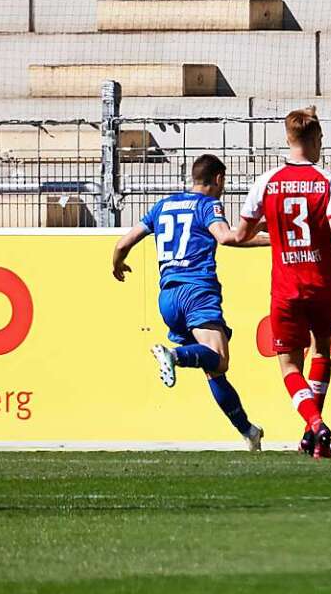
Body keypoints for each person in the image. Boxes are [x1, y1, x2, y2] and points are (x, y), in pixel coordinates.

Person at [112, 154, 268, 451]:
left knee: (214, 369)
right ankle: (174, 355)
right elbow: (225, 238)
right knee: (218, 357)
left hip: (168, 297)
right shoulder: (207, 205)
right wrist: (272, 240)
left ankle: (249, 431)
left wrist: (117, 264)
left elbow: (123, 243)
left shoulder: (163, 206)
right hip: (197, 291)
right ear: (218, 179)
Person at [236, 106, 331, 459]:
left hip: (287, 287)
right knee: (321, 351)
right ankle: (313, 436)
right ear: (316, 139)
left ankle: (315, 424)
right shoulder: (329, 180)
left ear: (289, 139)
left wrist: (270, 236)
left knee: (290, 365)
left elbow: (242, 233)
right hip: (323, 283)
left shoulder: (267, 181)